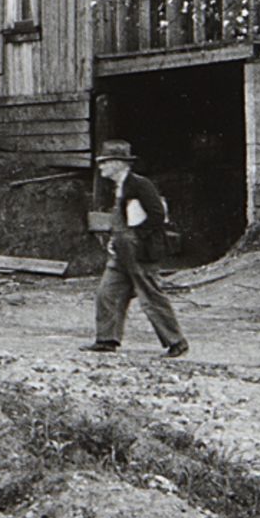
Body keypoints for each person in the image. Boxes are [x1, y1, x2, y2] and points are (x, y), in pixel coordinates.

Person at [83, 139, 188, 357]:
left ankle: (176, 342)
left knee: (150, 296)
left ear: (119, 163)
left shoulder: (141, 184)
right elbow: (123, 218)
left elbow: (158, 214)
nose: (101, 166)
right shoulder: (119, 187)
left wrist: (137, 238)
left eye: (105, 162)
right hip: (121, 252)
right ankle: (106, 340)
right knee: (107, 293)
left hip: (140, 252)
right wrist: (115, 239)